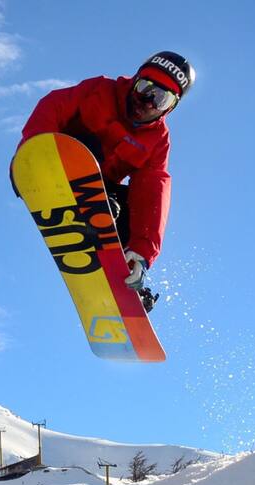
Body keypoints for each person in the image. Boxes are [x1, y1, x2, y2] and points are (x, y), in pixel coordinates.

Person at [16, 51, 195, 311]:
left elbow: (153, 191)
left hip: (101, 193)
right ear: (134, 80)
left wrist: (141, 252)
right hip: (52, 160)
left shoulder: (157, 140)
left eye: (160, 98)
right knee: (89, 149)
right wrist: (34, 150)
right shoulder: (100, 90)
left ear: (171, 107)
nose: (146, 101)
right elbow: (54, 105)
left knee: (130, 211)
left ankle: (124, 279)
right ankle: (90, 199)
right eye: (144, 87)